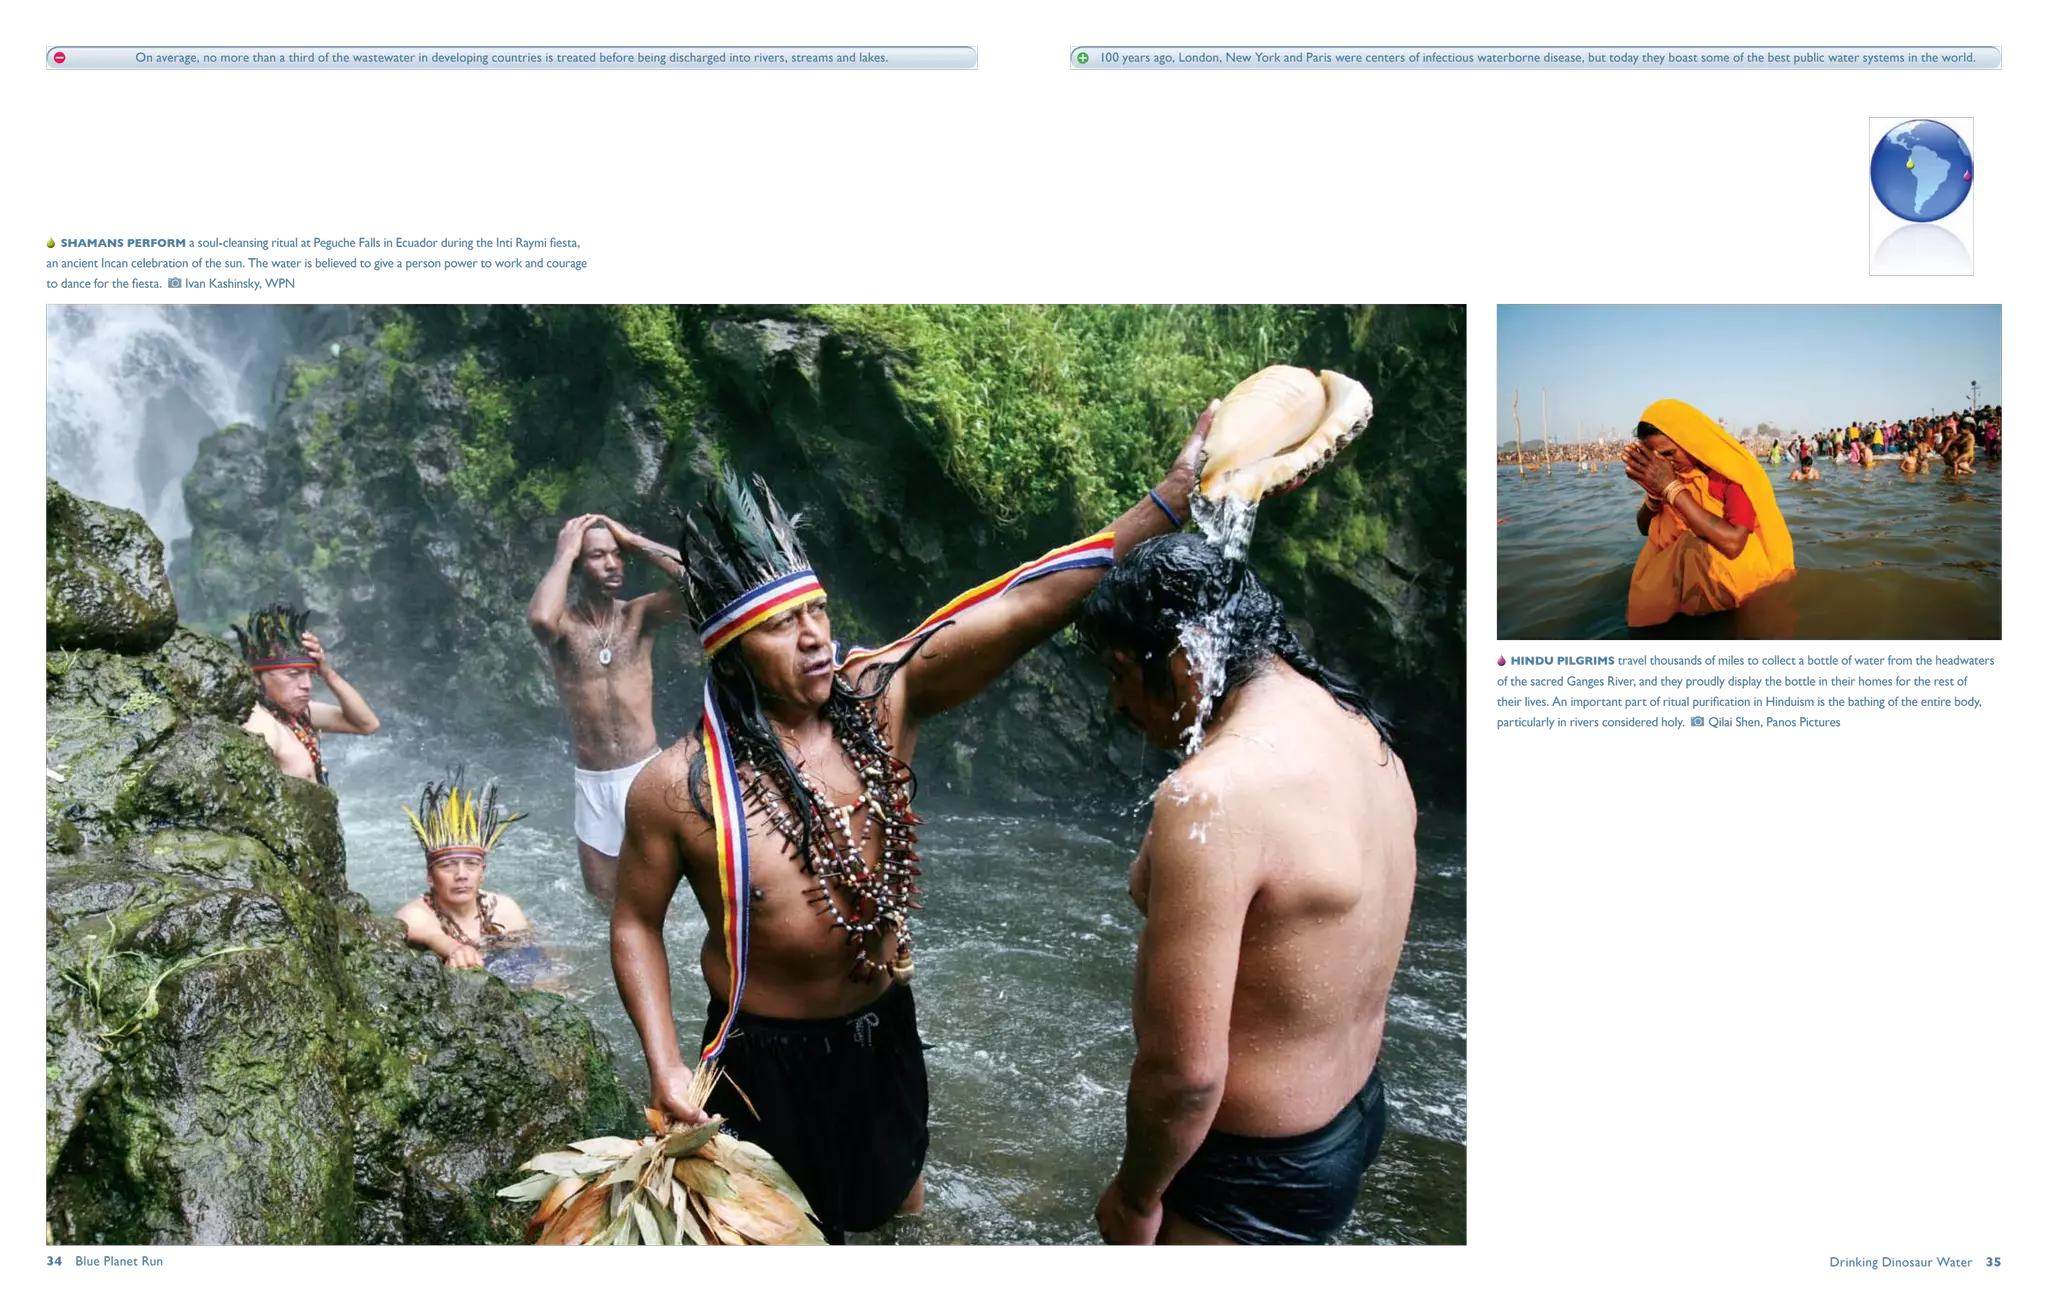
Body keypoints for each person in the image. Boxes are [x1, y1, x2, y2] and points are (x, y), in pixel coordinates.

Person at [611, 414, 1212, 1247]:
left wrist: (1167, 503)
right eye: (786, 625)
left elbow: (1025, 600)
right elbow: (634, 921)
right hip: (759, 1059)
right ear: (733, 648)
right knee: (777, 1235)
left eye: (817, 610)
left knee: (900, 1209)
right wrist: (665, 1062)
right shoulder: (676, 787)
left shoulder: (883, 698)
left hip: (882, 1025)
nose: (816, 634)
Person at [1074, 534, 1414, 1247]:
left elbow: (1186, 1073)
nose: (1116, 702)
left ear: (1179, 660)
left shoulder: (1214, 797)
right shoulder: (1360, 731)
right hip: (1347, 1120)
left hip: (1249, 1171)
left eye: (1118, 672)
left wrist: (1135, 1197)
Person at [528, 513, 691, 901]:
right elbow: (539, 619)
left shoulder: (639, 616)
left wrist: (635, 540)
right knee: (603, 908)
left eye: (617, 555)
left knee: (669, 901)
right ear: (579, 565)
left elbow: (702, 583)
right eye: (598, 556)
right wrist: (563, 556)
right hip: (594, 785)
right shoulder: (564, 628)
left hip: (647, 774)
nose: (612, 563)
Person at [1622, 400, 1796, 627]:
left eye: (1670, 453)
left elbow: (1733, 543)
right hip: (1680, 582)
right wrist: (1655, 495)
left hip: (1734, 578)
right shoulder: (1668, 472)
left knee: (1692, 549)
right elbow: (1644, 528)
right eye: (1658, 457)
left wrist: (1671, 488)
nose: (1666, 462)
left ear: (1690, 441)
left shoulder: (1731, 471)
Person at [394, 772, 539, 975]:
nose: (461, 874)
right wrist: (456, 950)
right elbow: (431, 935)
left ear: (482, 873)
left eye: (471, 864)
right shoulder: (416, 914)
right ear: (429, 877)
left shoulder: (505, 911)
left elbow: (537, 965)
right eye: (447, 866)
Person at [232, 603, 380, 785]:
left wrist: (328, 673)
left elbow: (367, 724)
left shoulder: (294, 715)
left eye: (310, 674)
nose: (307, 685)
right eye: (293, 674)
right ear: (255, 677)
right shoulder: (262, 725)